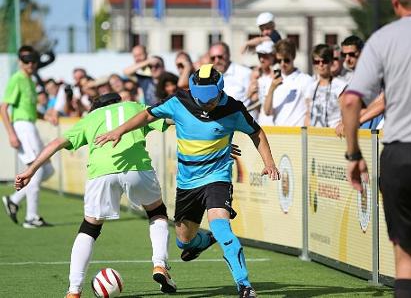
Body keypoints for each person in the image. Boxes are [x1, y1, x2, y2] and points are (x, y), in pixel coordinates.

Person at [95, 64, 281, 298]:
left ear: (220, 90)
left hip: (217, 177)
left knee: (222, 226)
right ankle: (203, 241)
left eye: (210, 100)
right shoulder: (178, 101)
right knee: (184, 241)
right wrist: (119, 131)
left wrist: (269, 162)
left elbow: (256, 132)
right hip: (187, 183)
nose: (205, 104)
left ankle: (244, 286)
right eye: (201, 99)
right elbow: (146, 115)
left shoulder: (234, 108)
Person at [14, 93, 177, 297]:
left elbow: (56, 143)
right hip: (137, 168)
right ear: (117, 102)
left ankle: (74, 290)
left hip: (100, 174)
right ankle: (159, 264)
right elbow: (169, 118)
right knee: (157, 212)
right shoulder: (134, 106)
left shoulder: (89, 118)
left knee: (90, 227)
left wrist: (30, 171)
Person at [340, 0, 411, 297]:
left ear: (396, 3)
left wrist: (353, 154)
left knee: (406, 263)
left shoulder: (384, 38)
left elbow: (350, 100)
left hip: (403, 155)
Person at [1, 45, 55, 228]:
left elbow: (31, 109)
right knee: (37, 168)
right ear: (20, 62)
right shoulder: (16, 79)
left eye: (33, 61)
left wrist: (45, 116)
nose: (30, 64)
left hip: (30, 124)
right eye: (26, 61)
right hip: (22, 126)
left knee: (47, 170)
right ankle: (31, 217)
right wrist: (11, 134)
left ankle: (14, 200)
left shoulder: (30, 81)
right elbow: (3, 108)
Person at [263, 39, 314, 126]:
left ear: (293, 57)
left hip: (298, 133)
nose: (282, 64)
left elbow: (310, 111)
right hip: (279, 133)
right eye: (279, 61)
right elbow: (267, 112)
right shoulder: (272, 80)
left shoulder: (306, 80)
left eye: (286, 60)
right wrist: (272, 89)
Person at [304, 44, 346, 128]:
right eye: (316, 62)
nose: (320, 64)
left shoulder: (341, 86)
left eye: (324, 61)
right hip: (314, 136)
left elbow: (347, 113)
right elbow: (308, 115)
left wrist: (343, 124)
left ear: (331, 62)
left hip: (334, 136)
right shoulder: (310, 87)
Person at [209, 42, 253, 118]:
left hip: (245, 126)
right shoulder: (209, 77)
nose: (216, 61)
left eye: (220, 56)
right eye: (213, 58)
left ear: (228, 55)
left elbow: (255, 99)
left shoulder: (245, 73)